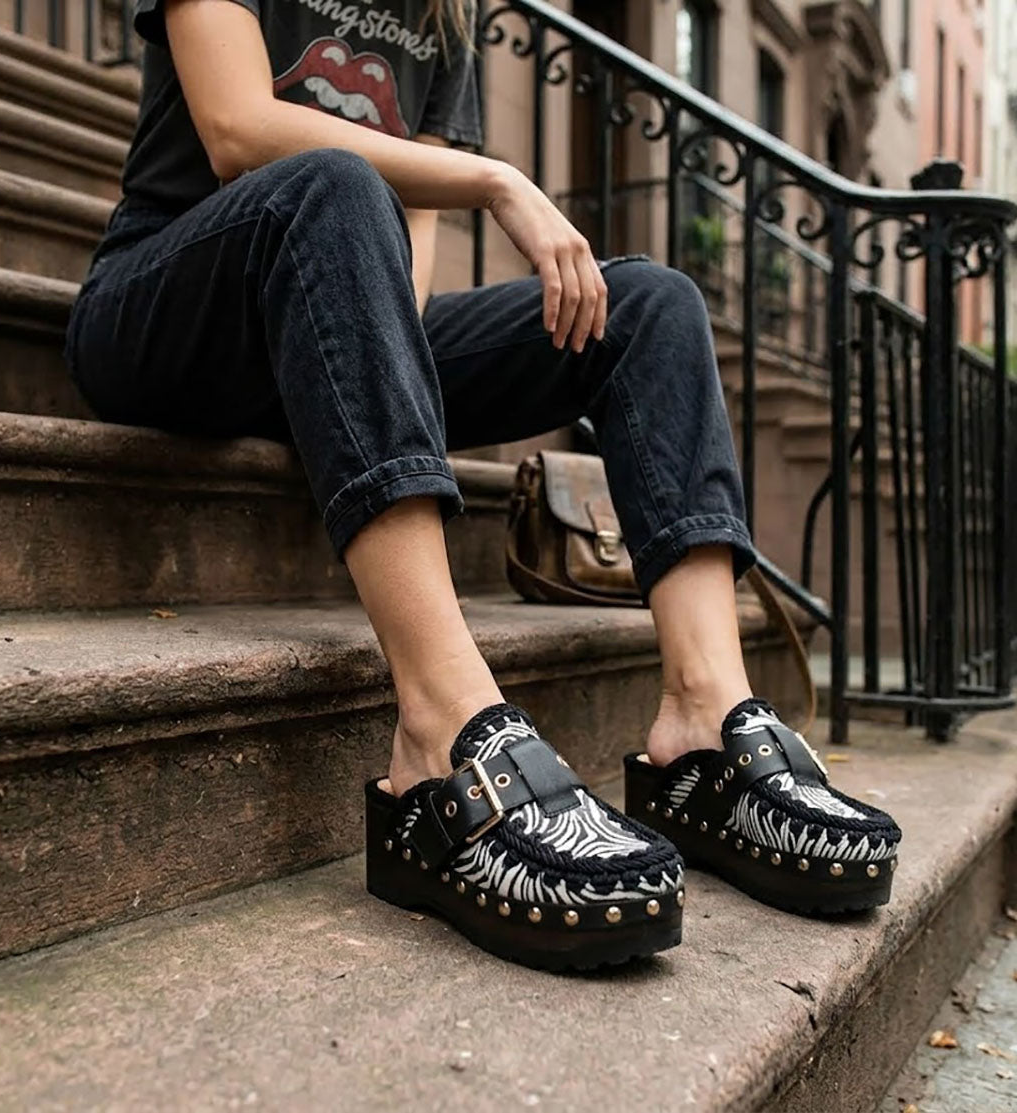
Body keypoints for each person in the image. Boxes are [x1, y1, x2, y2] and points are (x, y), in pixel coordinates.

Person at [65, 0, 901, 970]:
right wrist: (497, 179)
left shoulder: (444, 16)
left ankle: (703, 725)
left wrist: (366, 363)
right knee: (334, 183)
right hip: (166, 309)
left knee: (651, 308)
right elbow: (237, 129)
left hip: (321, 307)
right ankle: (439, 729)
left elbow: (406, 263)